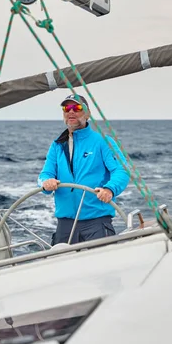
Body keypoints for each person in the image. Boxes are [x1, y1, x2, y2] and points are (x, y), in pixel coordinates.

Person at [38, 93, 130, 245]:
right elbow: (45, 174)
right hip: (65, 225)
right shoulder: (57, 145)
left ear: (87, 114)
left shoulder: (103, 141)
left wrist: (109, 189)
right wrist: (46, 182)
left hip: (97, 223)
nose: (71, 111)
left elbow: (121, 170)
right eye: (67, 108)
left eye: (77, 107)